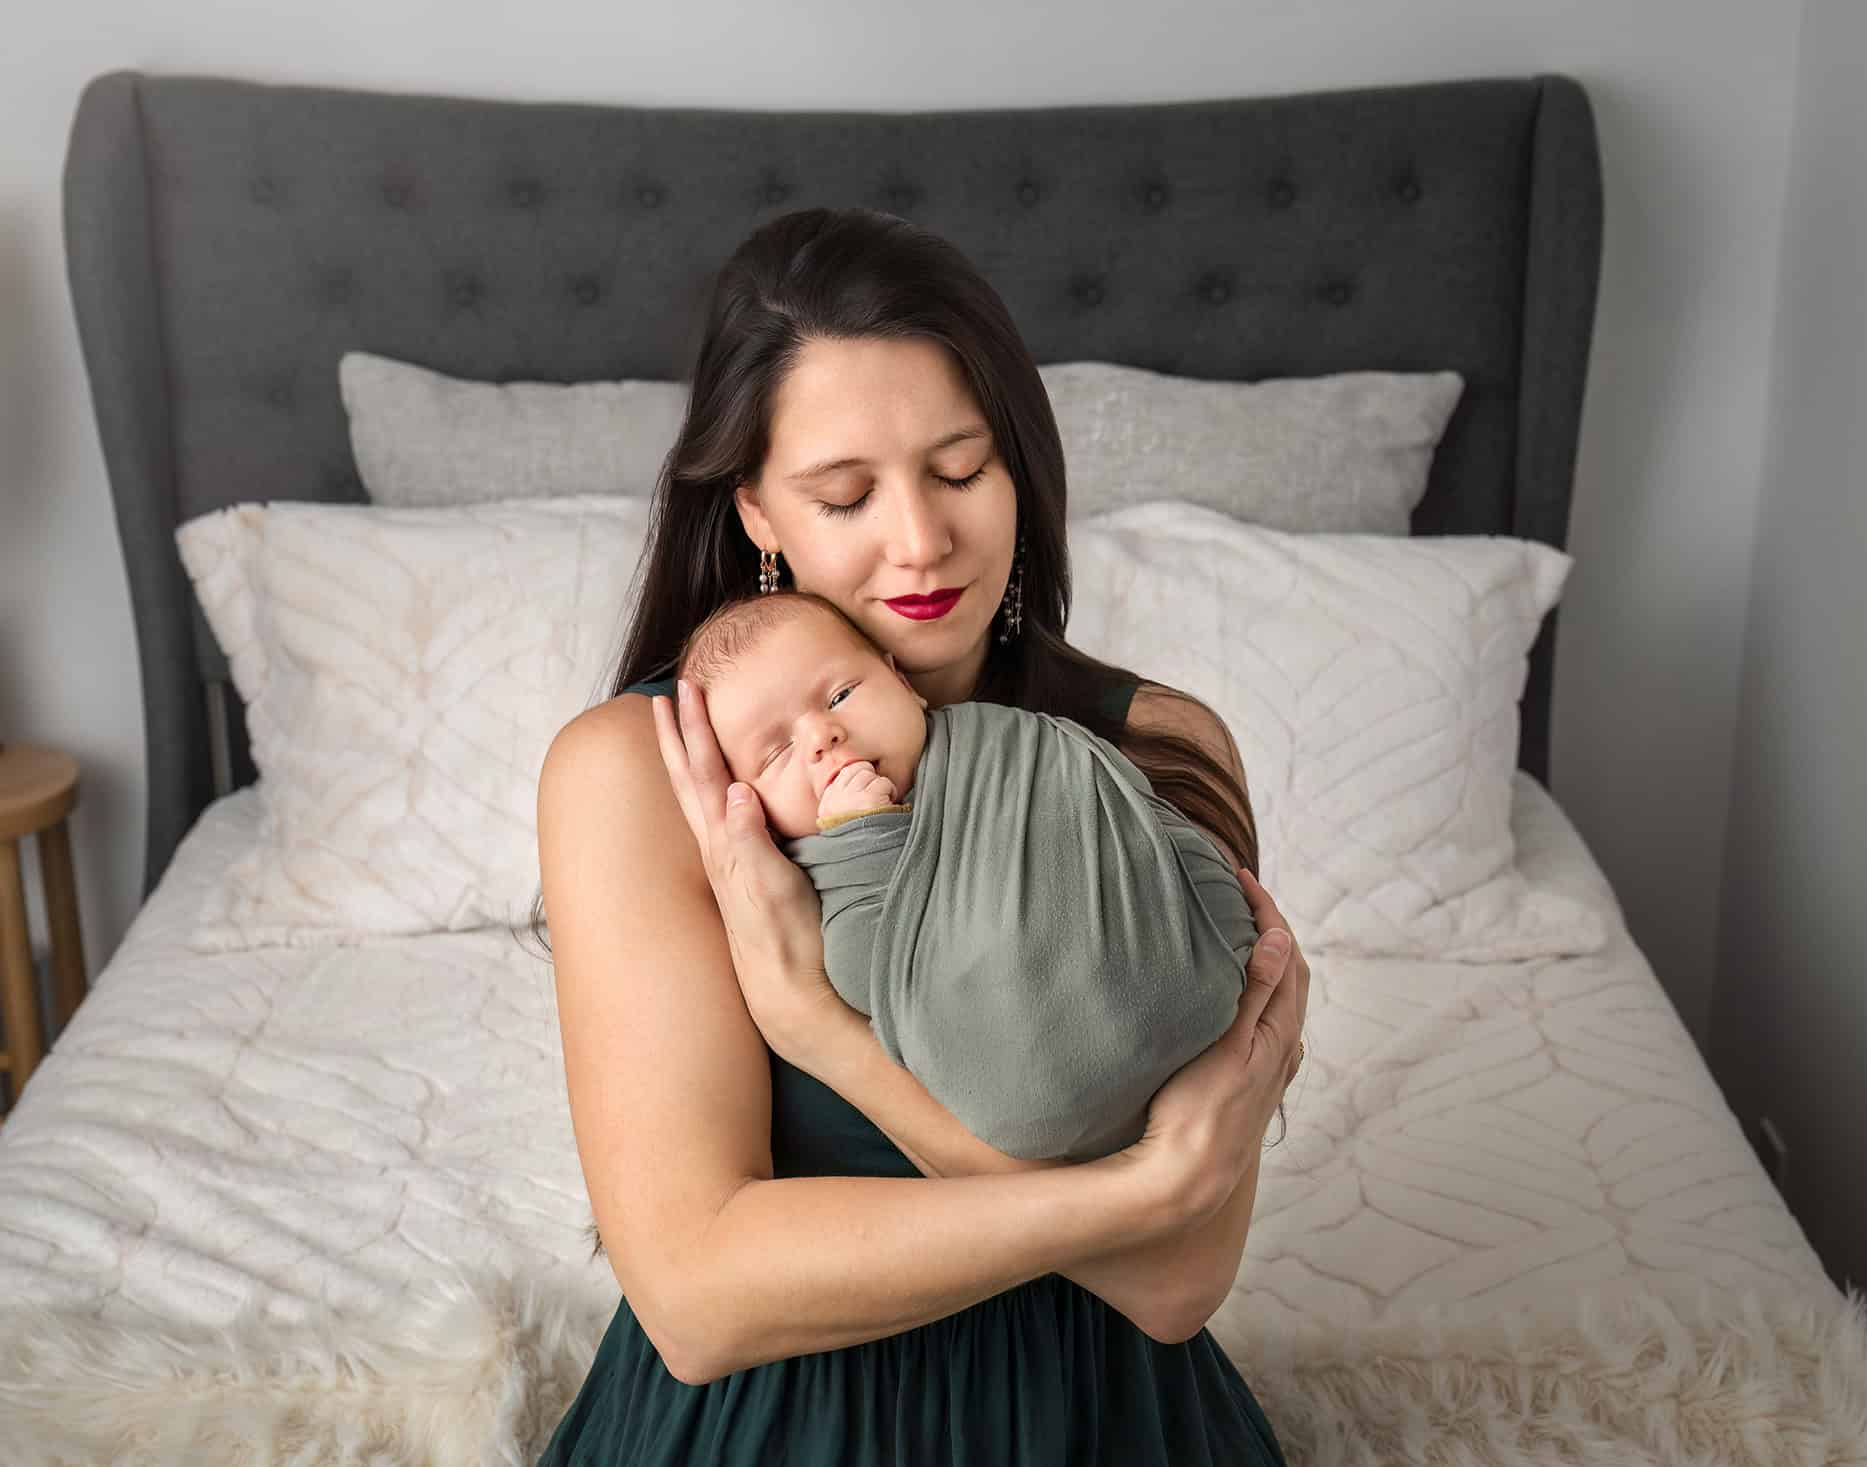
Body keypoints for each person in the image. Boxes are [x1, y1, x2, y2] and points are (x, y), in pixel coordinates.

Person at [529, 206, 1310, 1466]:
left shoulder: (1153, 748)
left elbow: (1170, 1287)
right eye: (843, 494)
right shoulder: (640, 773)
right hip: (769, 1419)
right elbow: (695, 1299)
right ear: (757, 516)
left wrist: (821, 1034)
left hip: (1097, 1414)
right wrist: (1131, 1195)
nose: (921, 541)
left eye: (959, 471)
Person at [675, 588, 1259, 1163]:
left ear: (901, 681)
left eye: (842, 694)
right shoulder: (819, 864)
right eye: (776, 753)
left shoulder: (1004, 740)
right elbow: (867, 971)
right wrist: (864, 837)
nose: (822, 738)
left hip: (1188, 950)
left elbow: (1100, 799)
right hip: (1038, 1066)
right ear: (746, 803)